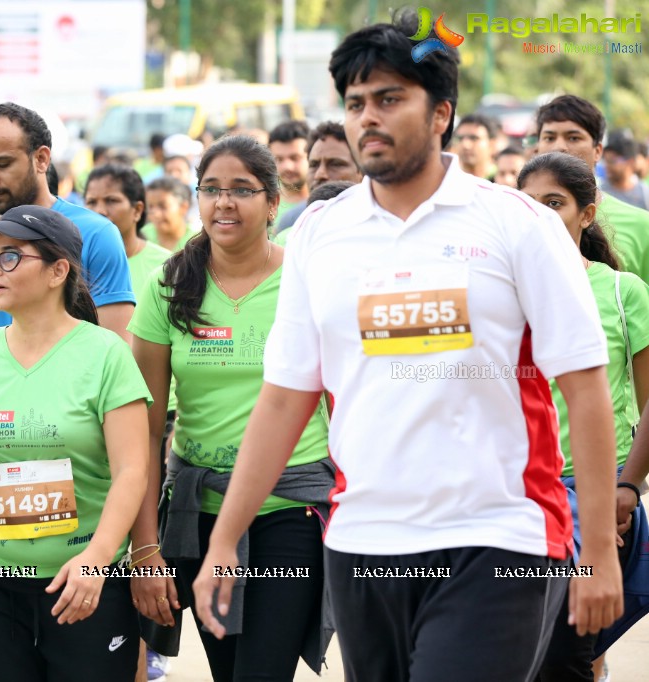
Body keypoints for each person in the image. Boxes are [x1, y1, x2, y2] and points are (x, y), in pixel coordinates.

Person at [191, 14, 623, 682]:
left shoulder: (518, 226)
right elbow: (283, 400)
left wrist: (597, 551)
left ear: (440, 112)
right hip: (363, 542)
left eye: (389, 99)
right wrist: (224, 539)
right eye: (356, 103)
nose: (368, 117)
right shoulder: (319, 235)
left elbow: (585, 388)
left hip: (497, 537)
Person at [0, 101, 135, 681]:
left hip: (81, 501)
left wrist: (134, 545)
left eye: (2, 162)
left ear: (41, 158)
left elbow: (118, 363)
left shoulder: (91, 236)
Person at [129, 135, 332, 681]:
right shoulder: (167, 286)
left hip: (289, 513)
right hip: (199, 513)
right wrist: (145, 548)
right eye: (211, 189)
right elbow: (144, 433)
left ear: (273, 203)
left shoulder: (307, 280)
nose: (224, 202)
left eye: (241, 190)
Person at [518, 151, 649, 682]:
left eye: (556, 204)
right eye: (530, 207)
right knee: (519, 651)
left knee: (568, 654)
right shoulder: (498, 296)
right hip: (519, 501)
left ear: (587, 214)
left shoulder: (623, 293)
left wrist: (627, 486)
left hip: (597, 500)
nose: (544, 218)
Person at [84, 163, 174, 680]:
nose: (99, 211)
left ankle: (146, 651)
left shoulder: (166, 266)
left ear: (137, 210)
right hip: (97, 421)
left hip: (157, 420)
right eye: (91, 201)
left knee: (144, 537)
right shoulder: (77, 262)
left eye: (111, 201)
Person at [535, 94, 649, 284]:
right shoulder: (516, 214)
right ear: (537, 147)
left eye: (573, 137)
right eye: (549, 137)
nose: (559, 146)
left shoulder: (642, 226)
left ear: (598, 151)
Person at [275, 121, 362, 234]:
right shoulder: (292, 223)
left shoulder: (383, 222)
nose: (320, 174)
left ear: (362, 171)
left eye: (335, 164)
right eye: (314, 165)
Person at [267, 120, 311, 222]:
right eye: (279, 159)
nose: (287, 167)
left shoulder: (326, 203)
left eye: (295, 158)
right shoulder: (265, 208)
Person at [143, 176, 196, 252]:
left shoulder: (198, 242)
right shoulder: (142, 238)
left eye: (163, 206)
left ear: (183, 207)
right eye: (150, 207)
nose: (156, 214)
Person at [602, 133, 649, 211]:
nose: (607, 166)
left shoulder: (645, 195)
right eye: (605, 161)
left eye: (611, 161)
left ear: (630, 162)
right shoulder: (600, 193)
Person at [454, 113, 500, 180]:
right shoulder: (448, 180)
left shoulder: (504, 180)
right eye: (460, 138)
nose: (466, 145)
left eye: (474, 138)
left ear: (492, 144)